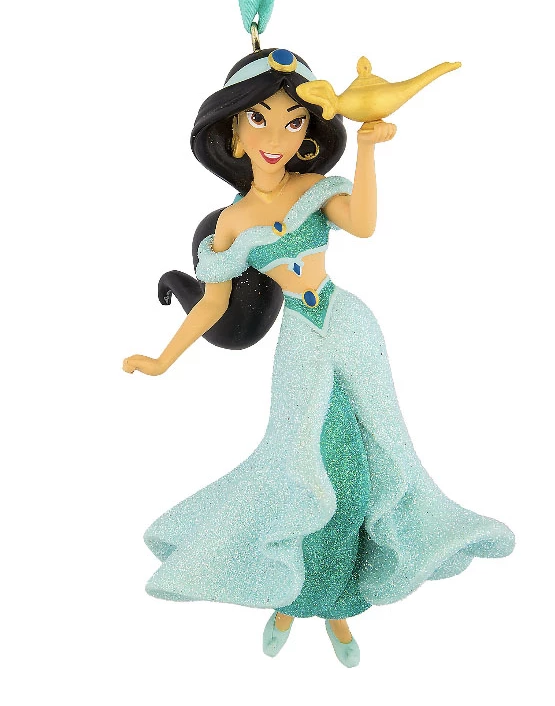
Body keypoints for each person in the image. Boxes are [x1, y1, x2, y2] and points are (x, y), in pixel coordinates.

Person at [123, 47, 515, 667]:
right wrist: (163, 359)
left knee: (369, 457)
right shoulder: (232, 223)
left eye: (293, 121)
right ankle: (287, 596)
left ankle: (336, 604)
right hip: (302, 341)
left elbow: (363, 223)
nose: (276, 137)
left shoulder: (312, 189)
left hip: (348, 324)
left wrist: (369, 150)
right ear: (233, 132)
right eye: (259, 120)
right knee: (298, 467)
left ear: (309, 131)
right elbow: (211, 306)